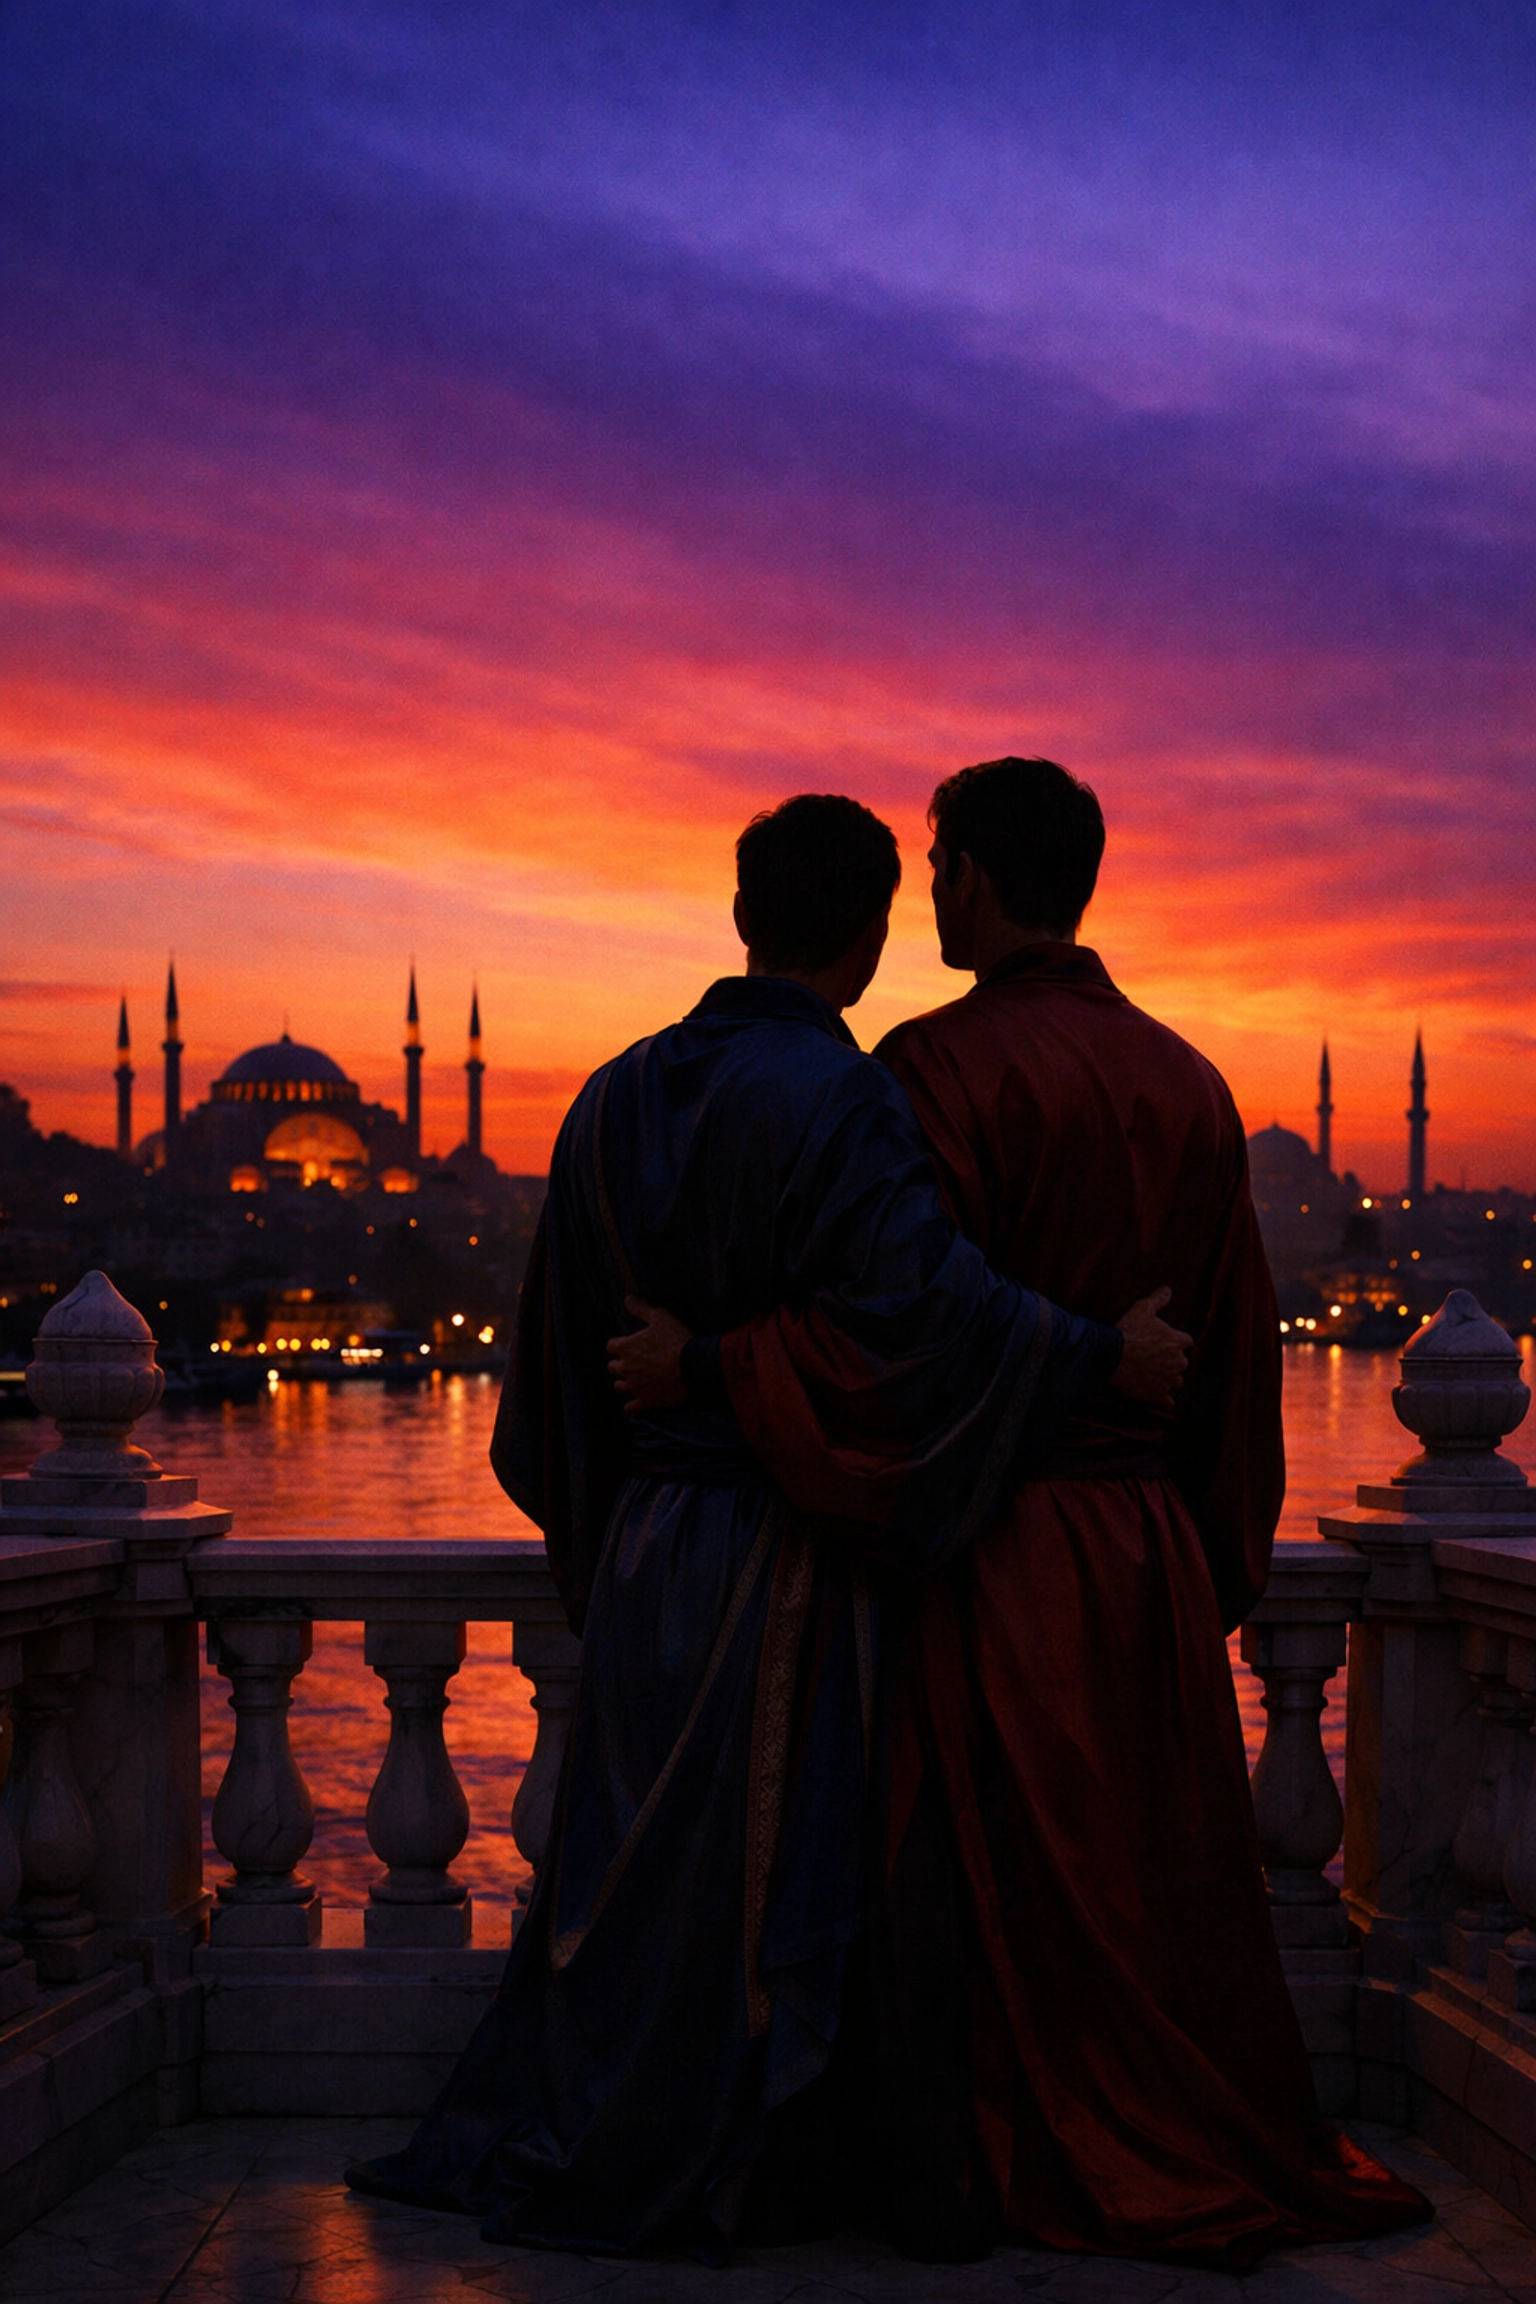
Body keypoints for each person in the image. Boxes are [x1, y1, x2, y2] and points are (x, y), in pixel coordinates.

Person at [345, 792, 1188, 2261]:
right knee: (758, 1883)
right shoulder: (847, 1100)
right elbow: (922, 1318)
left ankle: (606, 2123)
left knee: (630, 1881)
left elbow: (556, 1378)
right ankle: (734, 2162)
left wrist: (643, 1471)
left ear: (742, 918)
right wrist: (1096, 1354)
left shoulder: (608, 1093)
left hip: (650, 1544)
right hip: (783, 1560)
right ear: (868, 943)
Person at [613, 759, 1429, 2269]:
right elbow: (1234, 1378)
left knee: (978, 1899)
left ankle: (999, 2158)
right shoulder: (1193, 1085)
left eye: (936, 864)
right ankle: (1164, 2131)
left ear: (977, 879)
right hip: (1140, 1558)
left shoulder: (927, 1073)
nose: (926, 890)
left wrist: (722, 1372)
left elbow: (894, 1341)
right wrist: (1199, 1562)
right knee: (1144, 1885)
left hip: (984, 1550)